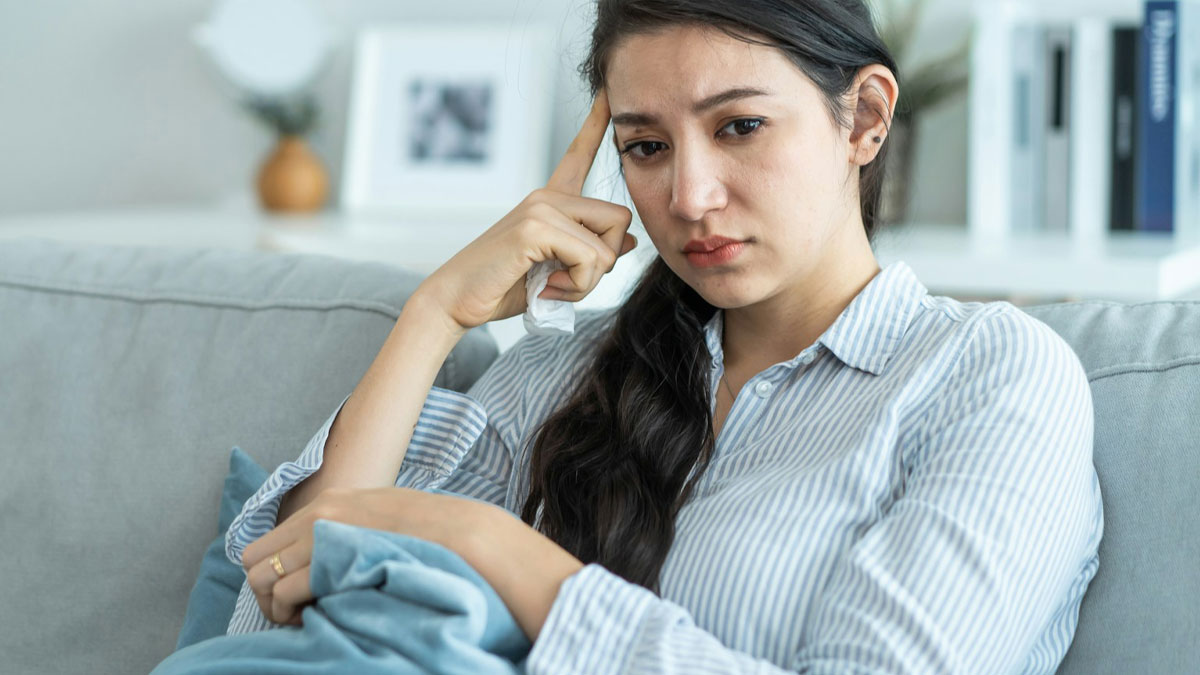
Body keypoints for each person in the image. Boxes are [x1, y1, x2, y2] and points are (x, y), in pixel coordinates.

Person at [222, 1, 1104, 672]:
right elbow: (276, 613)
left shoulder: (988, 376)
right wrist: (435, 316)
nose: (689, 197)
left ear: (865, 117)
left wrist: (494, 547)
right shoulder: (558, 372)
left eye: (740, 127)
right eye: (646, 146)